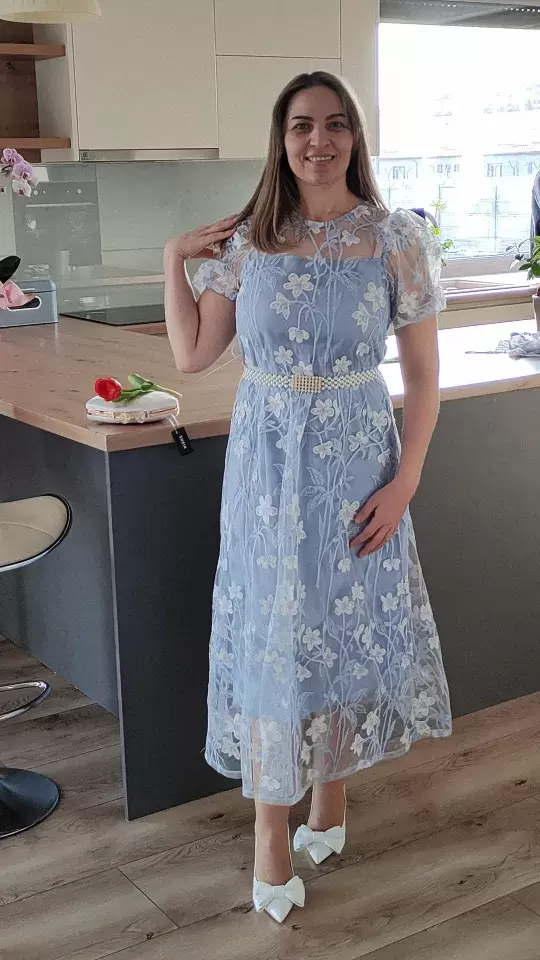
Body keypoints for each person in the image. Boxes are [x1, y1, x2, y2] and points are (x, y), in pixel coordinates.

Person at [164, 71, 452, 924]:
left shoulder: (395, 237)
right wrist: (173, 258)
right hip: (265, 475)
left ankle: (332, 795)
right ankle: (270, 830)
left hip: (358, 465)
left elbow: (424, 376)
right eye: (300, 126)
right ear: (280, 139)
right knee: (275, 637)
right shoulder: (249, 240)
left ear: (355, 137)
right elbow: (191, 356)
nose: (317, 141)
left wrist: (406, 480)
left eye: (334, 125)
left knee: (338, 632)